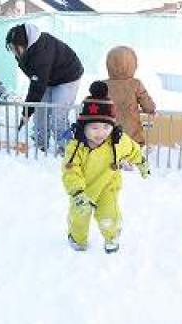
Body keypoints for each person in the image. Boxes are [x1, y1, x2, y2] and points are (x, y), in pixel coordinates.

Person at [62, 81, 150, 254]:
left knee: (108, 215)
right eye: (94, 127)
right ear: (84, 126)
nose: (101, 132)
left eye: (106, 127)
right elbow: (70, 170)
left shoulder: (117, 141)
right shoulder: (76, 147)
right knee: (79, 216)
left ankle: (112, 236)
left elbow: (132, 149)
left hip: (107, 186)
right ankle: (77, 239)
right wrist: (77, 192)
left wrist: (142, 162)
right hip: (82, 190)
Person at [5, 23, 83, 152]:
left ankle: (67, 148)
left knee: (58, 116)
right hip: (48, 77)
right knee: (40, 112)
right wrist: (29, 110)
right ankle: (40, 143)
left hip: (68, 77)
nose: (13, 51)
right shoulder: (25, 51)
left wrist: (26, 113)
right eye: (11, 48)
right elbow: (36, 80)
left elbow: (37, 86)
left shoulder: (41, 53)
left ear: (24, 44)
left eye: (15, 47)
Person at [105, 46, 156, 145]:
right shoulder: (135, 84)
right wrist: (151, 109)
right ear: (133, 65)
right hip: (132, 135)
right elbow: (147, 103)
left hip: (109, 134)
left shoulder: (104, 85)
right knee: (132, 152)